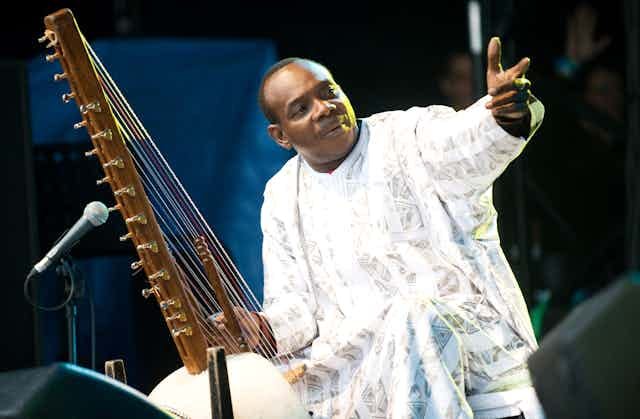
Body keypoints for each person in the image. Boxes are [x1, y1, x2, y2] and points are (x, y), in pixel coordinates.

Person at [217, 37, 545, 418]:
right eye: (301, 108)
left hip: (465, 332)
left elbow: (466, 143)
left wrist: (501, 115)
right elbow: (296, 305)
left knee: (415, 318)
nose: (324, 109)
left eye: (329, 91)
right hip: (358, 358)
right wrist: (262, 328)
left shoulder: (408, 135)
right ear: (281, 136)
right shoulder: (280, 196)